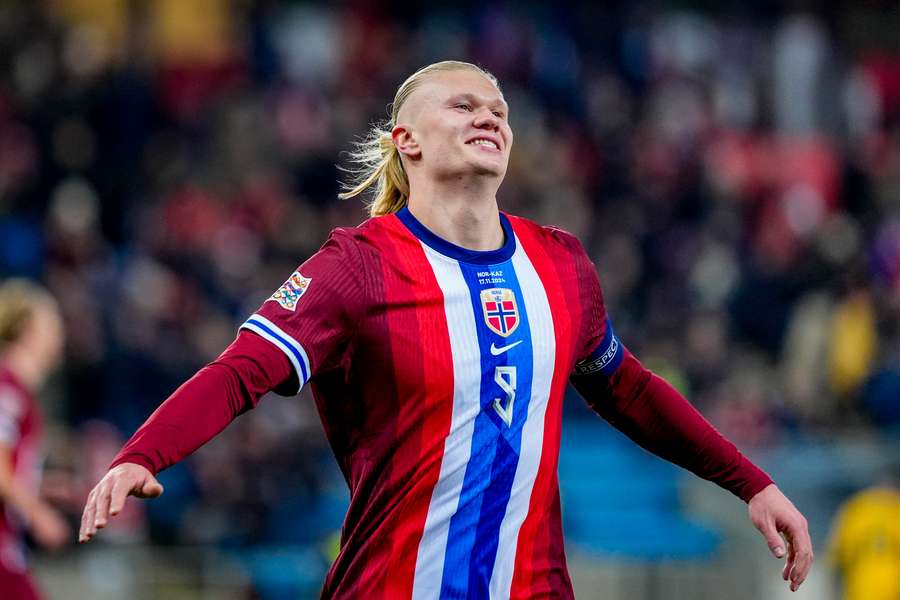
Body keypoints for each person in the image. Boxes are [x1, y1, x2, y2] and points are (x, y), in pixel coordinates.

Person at [79, 60, 813, 598]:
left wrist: (750, 483)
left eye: (498, 109)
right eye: (463, 105)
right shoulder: (357, 267)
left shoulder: (562, 265)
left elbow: (628, 389)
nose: (489, 116)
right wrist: (143, 454)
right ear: (408, 140)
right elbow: (241, 371)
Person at [0, 279, 70, 600]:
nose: (60, 337)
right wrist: (38, 513)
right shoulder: (8, 385)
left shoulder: (18, 391)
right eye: (52, 324)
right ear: (29, 330)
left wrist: (40, 486)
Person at [828, 468, 900, 600]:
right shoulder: (856, 510)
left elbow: (837, 555)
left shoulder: (856, 509)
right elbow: (838, 556)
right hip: (860, 588)